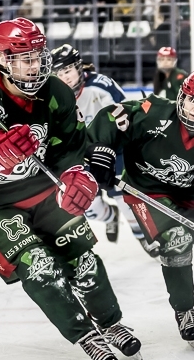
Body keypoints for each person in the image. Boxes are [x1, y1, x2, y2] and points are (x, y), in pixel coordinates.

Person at [0, 18, 142, 360]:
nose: (35, 66)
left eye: (38, 57)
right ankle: (86, 336)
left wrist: (75, 173)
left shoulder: (57, 93)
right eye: (25, 59)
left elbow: (71, 146)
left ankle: (111, 323)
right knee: (40, 267)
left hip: (44, 193)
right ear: (1, 59)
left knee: (83, 260)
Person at [86, 67, 194, 351]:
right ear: (181, 97)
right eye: (193, 100)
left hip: (193, 197)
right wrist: (102, 151)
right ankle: (184, 310)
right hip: (147, 193)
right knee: (175, 242)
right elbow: (112, 116)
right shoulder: (152, 111)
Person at [51, 43, 160, 258]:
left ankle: (142, 235)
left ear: (79, 67)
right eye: (59, 73)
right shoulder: (54, 97)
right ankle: (110, 217)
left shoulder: (100, 85)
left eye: (68, 70)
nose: (65, 77)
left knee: (124, 195)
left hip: (112, 150)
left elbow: (127, 113)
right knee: (86, 205)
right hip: (80, 156)